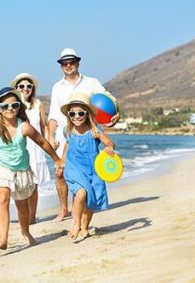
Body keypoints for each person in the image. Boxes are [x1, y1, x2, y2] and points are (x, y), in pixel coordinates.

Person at [0, 87, 64, 250]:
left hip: (22, 170)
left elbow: (42, 142)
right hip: (2, 168)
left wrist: (56, 159)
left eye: (14, 105)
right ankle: (3, 239)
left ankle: (25, 231)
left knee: (22, 206)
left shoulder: (24, 127)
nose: (10, 109)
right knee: (2, 198)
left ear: (19, 107)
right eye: (5, 106)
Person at [46, 48, 119, 222]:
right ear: (61, 66)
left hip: (87, 134)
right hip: (66, 135)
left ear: (78, 63)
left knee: (83, 174)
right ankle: (64, 209)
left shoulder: (92, 82)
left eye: (71, 62)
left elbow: (109, 100)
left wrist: (117, 114)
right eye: (64, 63)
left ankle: (78, 208)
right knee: (60, 173)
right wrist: (50, 136)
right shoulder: (57, 87)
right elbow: (53, 114)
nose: (68, 65)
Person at [59, 92, 115, 242]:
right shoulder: (67, 130)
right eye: (72, 114)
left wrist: (109, 147)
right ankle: (76, 225)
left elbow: (109, 142)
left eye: (80, 113)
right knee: (81, 194)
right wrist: (62, 160)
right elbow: (68, 145)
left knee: (91, 200)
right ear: (69, 115)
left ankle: (85, 227)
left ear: (87, 113)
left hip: (93, 169)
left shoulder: (94, 130)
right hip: (74, 168)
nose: (76, 117)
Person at [9, 73, 51, 224]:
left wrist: (48, 142)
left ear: (32, 89)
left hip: (36, 147)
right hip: (20, 147)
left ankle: (31, 217)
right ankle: (23, 216)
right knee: (19, 183)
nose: (25, 89)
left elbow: (43, 126)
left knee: (33, 185)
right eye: (21, 86)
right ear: (16, 88)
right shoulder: (13, 105)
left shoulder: (38, 104)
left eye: (29, 86)